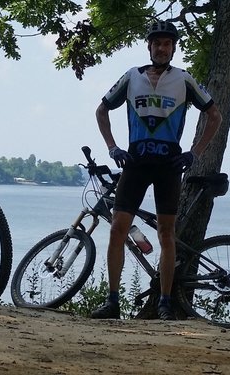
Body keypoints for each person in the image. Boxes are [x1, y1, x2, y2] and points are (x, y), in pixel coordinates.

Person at [90, 20, 222, 320]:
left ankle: (164, 302)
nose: (162, 48)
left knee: (166, 234)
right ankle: (113, 302)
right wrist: (112, 147)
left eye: (167, 44)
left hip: (169, 165)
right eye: (157, 43)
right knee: (117, 229)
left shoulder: (185, 79)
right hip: (135, 163)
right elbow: (101, 111)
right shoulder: (131, 76)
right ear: (148, 46)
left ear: (174, 48)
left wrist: (194, 153)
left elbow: (214, 115)